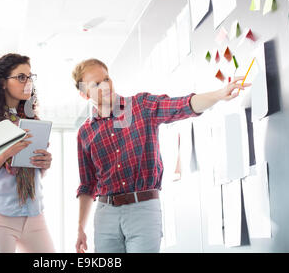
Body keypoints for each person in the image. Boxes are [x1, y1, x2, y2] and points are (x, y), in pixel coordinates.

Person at [72, 58, 250, 253]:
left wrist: (218, 95)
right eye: (96, 84)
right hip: (105, 215)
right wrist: (81, 228)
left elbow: (182, 105)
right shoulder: (85, 133)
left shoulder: (141, 106)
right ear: (84, 93)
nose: (105, 85)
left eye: (106, 78)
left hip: (143, 209)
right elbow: (87, 186)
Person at [0, 53, 55, 253]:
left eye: (30, 77)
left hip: (34, 212)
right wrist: (4, 154)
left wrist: (43, 163)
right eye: (21, 77)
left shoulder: (33, 121)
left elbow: (34, 172)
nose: (28, 83)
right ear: (2, 83)